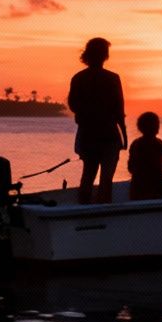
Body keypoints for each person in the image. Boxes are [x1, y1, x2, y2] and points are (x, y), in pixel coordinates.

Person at [65, 37, 126, 204]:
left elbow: (73, 105)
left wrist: (87, 114)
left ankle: (84, 209)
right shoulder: (113, 78)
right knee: (106, 178)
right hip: (108, 134)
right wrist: (124, 135)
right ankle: (103, 210)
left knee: (88, 174)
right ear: (105, 55)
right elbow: (119, 109)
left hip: (88, 134)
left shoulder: (78, 78)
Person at [126, 112, 162, 200]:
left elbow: (130, 168)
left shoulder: (135, 144)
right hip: (156, 189)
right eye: (157, 124)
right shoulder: (159, 144)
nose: (158, 126)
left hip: (137, 190)